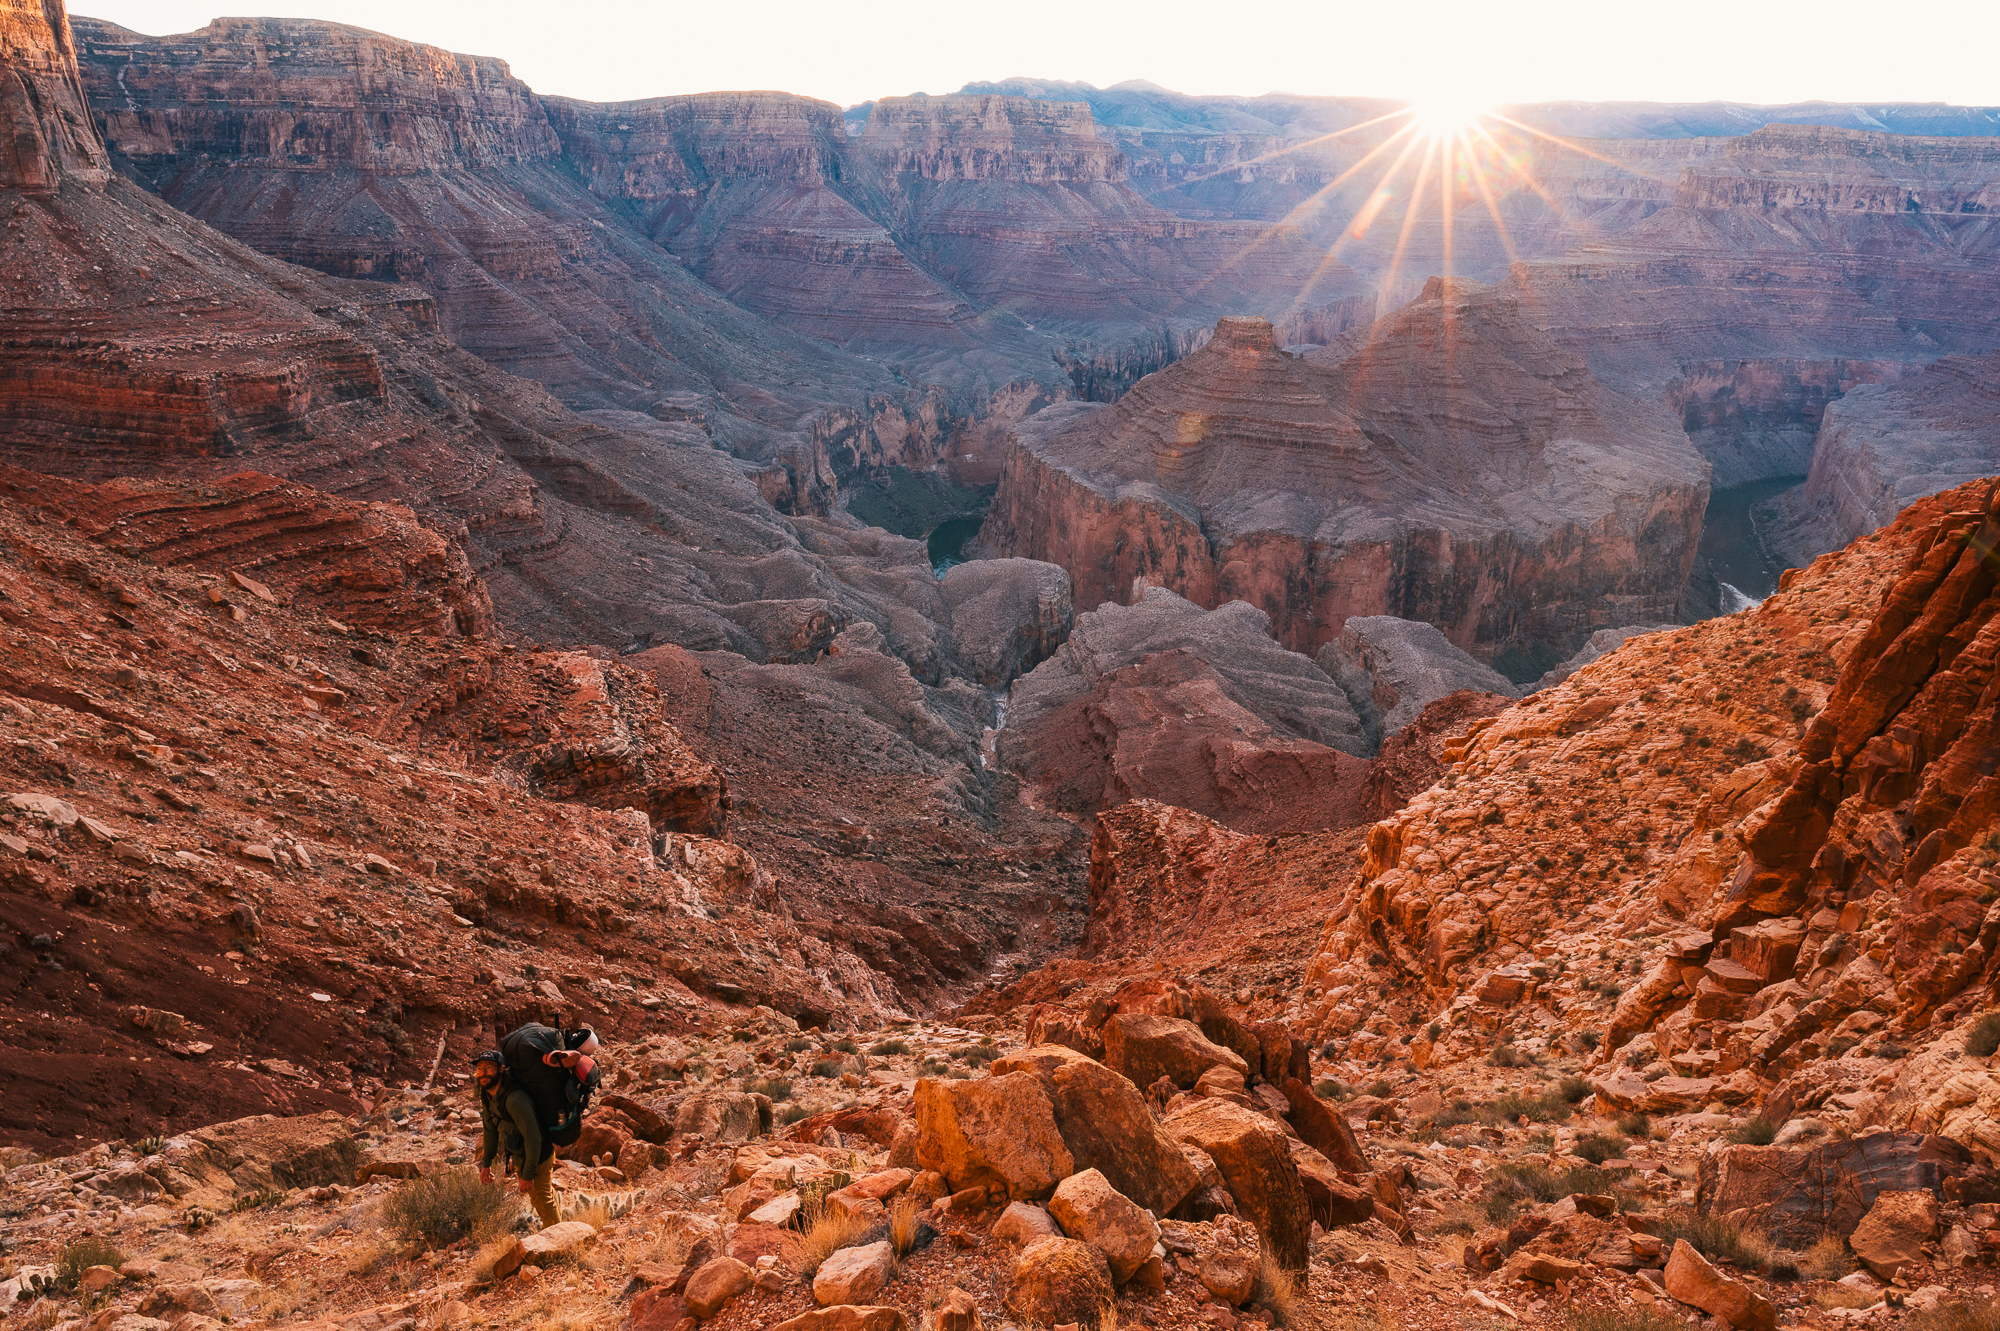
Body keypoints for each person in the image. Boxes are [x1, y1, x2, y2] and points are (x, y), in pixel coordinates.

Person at [472, 1050, 559, 1228]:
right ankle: (560, 1231)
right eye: (480, 1068)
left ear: (501, 1070)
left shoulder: (514, 1099)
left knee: (541, 1200)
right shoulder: (487, 1094)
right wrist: (486, 1164)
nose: (483, 1073)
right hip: (521, 1155)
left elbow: (533, 1137)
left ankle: (562, 1244)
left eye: (489, 1068)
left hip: (538, 1155)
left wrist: (527, 1175)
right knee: (542, 1197)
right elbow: (490, 1130)